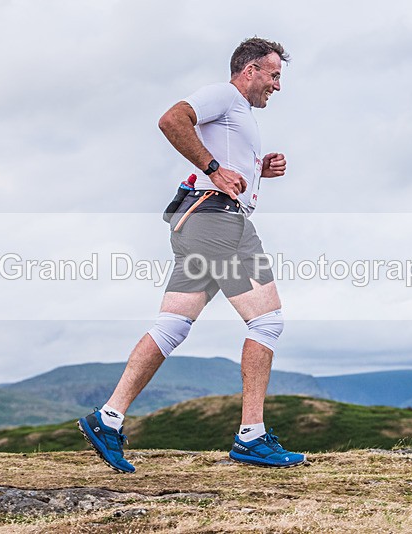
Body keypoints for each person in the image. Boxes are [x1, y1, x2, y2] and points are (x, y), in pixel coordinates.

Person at [78, 37, 304, 473]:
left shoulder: (238, 115)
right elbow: (171, 120)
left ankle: (107, 418)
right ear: (250, 70)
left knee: (172, 326)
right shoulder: (224, 95)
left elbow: (226, 163)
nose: (277, 85)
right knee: (267, 321)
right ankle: (251, 436)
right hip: (218, 222)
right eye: (274, 75)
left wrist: (259, 169)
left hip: (197, 222)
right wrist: (215, 169)